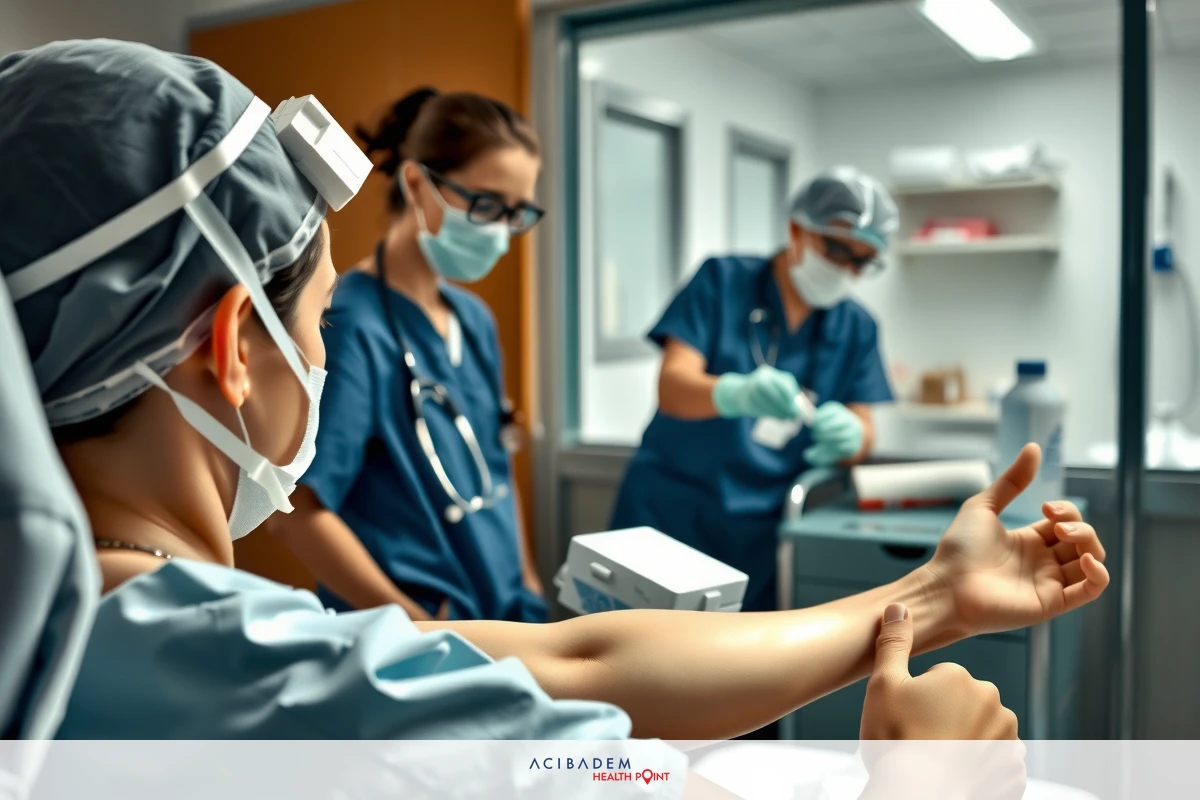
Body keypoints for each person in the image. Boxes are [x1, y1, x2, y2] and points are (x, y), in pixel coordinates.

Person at [1, 42, 1110, 766]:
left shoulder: (81, 628)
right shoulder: (310, 702)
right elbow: (478, 690)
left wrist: (929, 594)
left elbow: (585, 661)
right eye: (319, 319)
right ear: (238, 343)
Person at [263, 89, 547, 623]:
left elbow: (495, 473)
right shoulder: (350, 322)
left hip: (506, 613)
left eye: (516, 213)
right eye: (487, 205)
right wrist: (415, 628)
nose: (500, 231)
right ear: (417, 184)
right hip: (418, 630)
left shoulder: (474, 320)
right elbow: (298, 514)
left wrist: (527, 586)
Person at [610, 167, 899, 614]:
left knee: (734, 672)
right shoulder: (722, 281)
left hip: (762, 532)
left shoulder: (857, 326)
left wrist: (851, 439)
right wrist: (735, 394)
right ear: (796, 230)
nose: (846, 269)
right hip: (671, 513)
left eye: (861, 261)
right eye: (837, 249)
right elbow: (672, 386)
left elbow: (864, 429)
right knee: (634, 666)